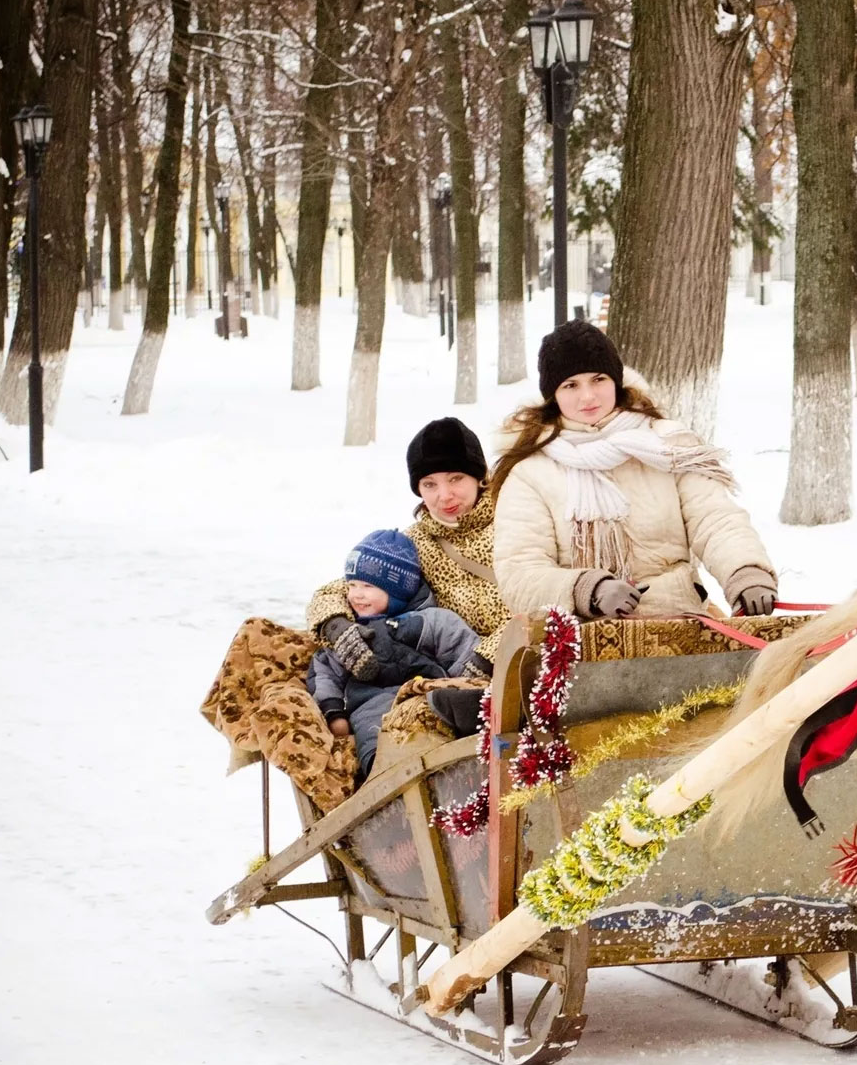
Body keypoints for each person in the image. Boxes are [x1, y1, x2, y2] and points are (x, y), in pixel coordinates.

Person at [490, 319, 776, 621]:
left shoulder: (666, 445)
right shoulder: (530, 472)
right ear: (553, 395)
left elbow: (714, 519)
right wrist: (587, 588)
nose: (587, 396)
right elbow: (519, 570)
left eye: (598, 379)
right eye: (571, 385)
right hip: (581, 637)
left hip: (679, 620)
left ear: (616, 380)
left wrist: (746, 571)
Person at [306, 417, 508, 736]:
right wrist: (337, 625)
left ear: (479, 476)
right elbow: (337, 591)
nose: (444, 495)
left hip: (508, 662)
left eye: (455, 478)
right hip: (443, 666)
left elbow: (543, 600)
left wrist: (489, 656)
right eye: (430, 484)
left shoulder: (515, 525)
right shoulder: (413, 543)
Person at [306, 530, 480, 775]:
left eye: (367, 586)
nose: (356, 594)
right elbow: (325, 671)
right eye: (352, 585)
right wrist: (334, 712)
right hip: (373, 708)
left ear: (399, 590)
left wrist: (470, 682)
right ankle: (382, 771)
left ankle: (467, 735)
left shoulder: (431, 622)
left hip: (428, 698)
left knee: (437, 703)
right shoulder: (351, 633)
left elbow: (463, 650)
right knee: (373, 727)